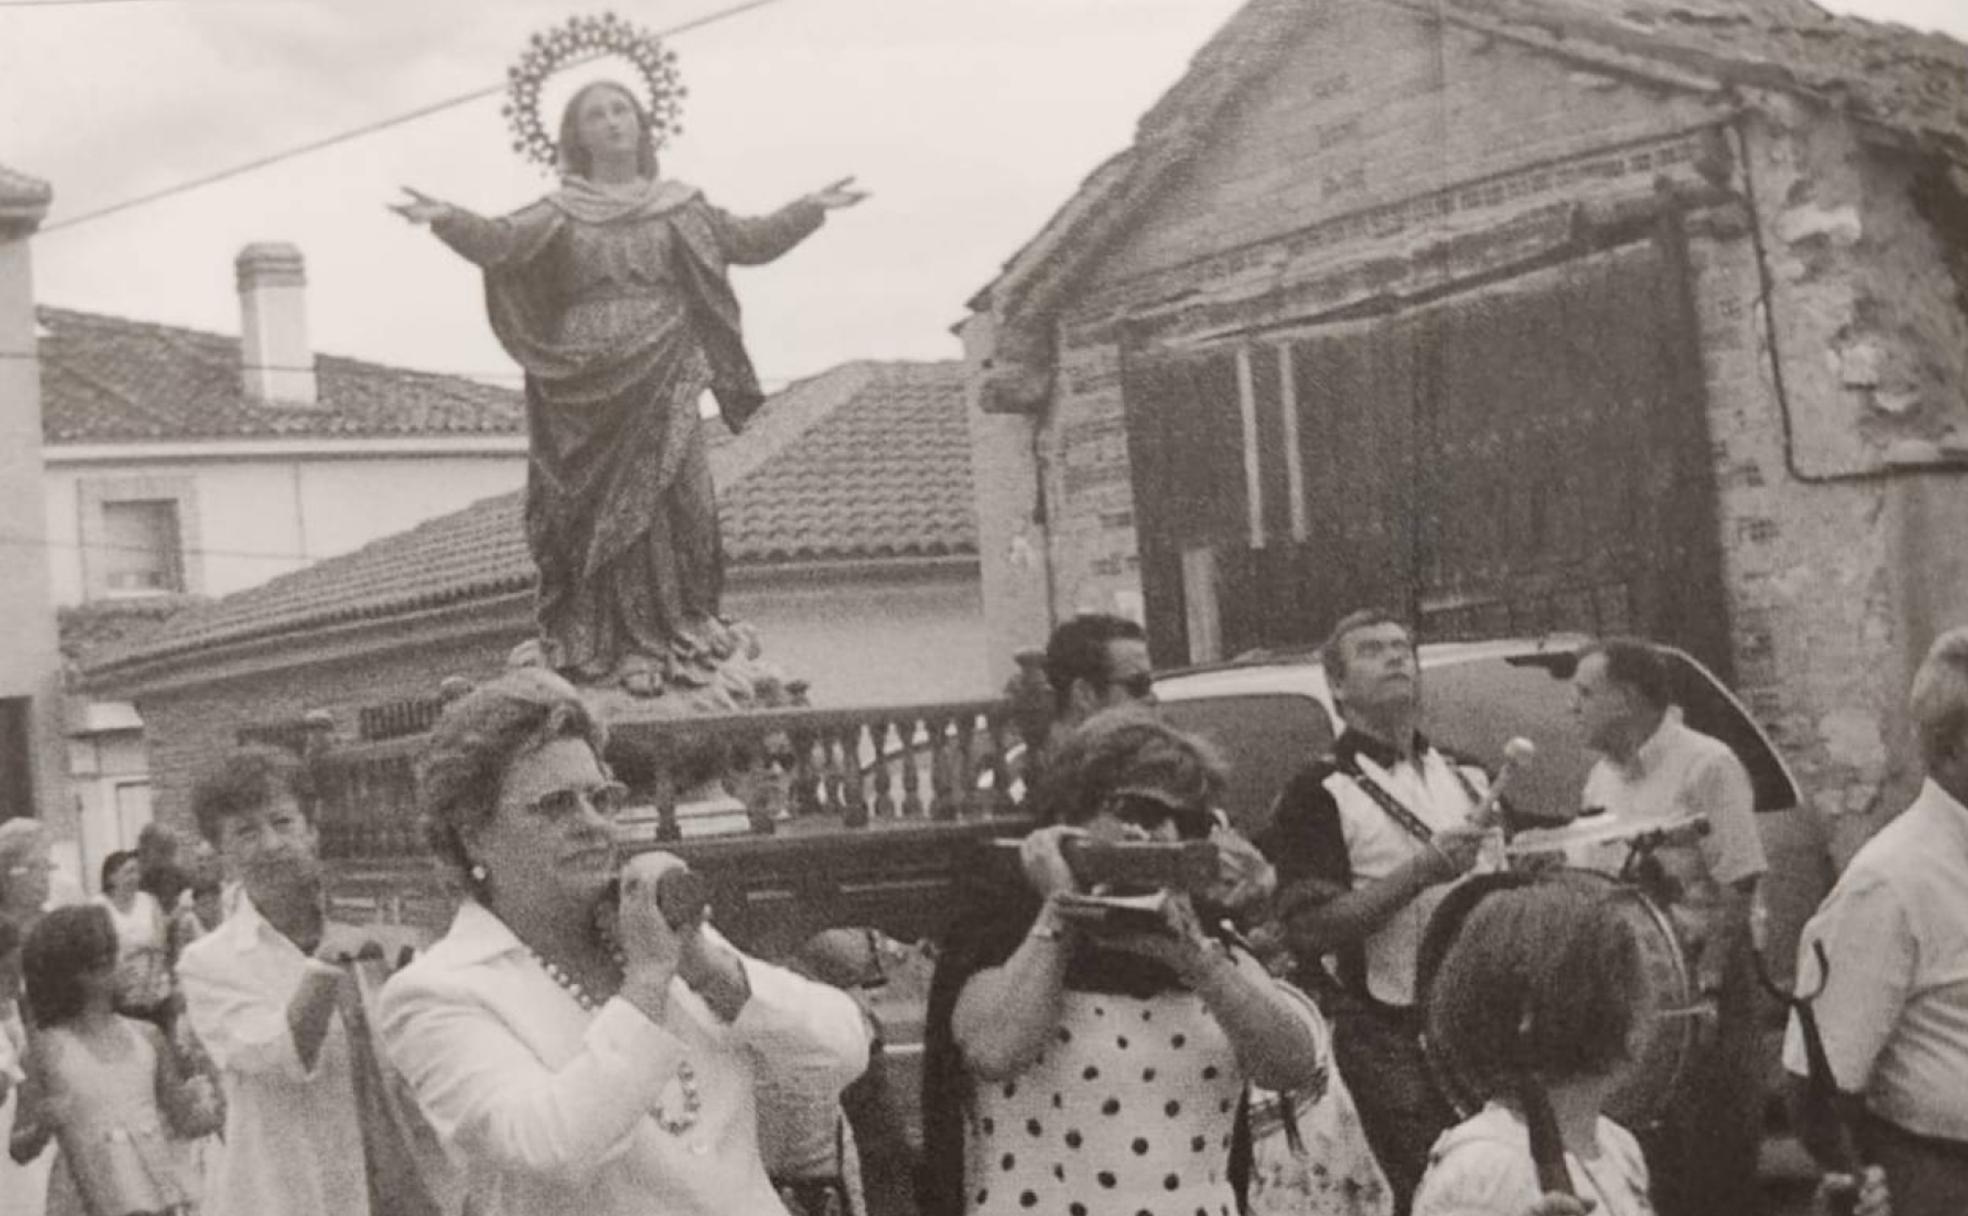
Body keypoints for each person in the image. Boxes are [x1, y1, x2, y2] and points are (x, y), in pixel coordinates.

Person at [390, 79, 866, 698]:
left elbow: (748, 240)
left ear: (643, 124)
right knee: (594, 517)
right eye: (596, 115)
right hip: (584, 382)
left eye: (622, 110)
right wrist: (448, 219)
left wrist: (810, 208)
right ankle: (608, 645)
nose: (613, 122)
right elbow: (502, 243)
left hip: (666, 368)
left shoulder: (681, 206)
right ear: (576, 135)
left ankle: (682, 631)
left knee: (683, 504)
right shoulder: (560, 211)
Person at [378, 667, 871, 1216]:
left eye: (601, 798)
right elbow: (550, 1149)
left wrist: (710, 969)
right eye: (555, 804)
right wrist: (647, 983)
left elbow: (843, 1051)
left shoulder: (655, 931)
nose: (592, 823)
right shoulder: (434, 994)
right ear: (473, 834)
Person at [921, 707, 1326, 1216]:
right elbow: (995, 1050)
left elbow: (1290, 1065)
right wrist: (1063, 909)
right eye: (1140, 810)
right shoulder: (1003, 931)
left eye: (1188, 821)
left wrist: (1196, 960)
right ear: (1074, 814)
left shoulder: (1207, 941)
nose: (1164, 833)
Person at [1255, 608, 1501, 1214]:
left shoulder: (1471, 776)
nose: (1395, 657)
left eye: (1402, 648)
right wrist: (1420, 872)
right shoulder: (1317, 792)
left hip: (1484, 1028)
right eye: (1371, 650)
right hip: (1389, 1039)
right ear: (1337, 687)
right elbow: (1309, 929)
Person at [1570, 637, 1768, 1216]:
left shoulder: (1707, 764)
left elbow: (1740, 880)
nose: (1571, 706)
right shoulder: (1600, 779)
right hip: (1638, 985)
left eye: (1585, 692)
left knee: (1716, 1153)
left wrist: (1708, 986)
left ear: (1627, 699)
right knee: (1654, 1153)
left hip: (1706, 982)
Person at [1785, 624, 1968, 1216]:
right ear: (1953, 749)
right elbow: (1815, 1084)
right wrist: (1874, 1190)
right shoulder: (1888, 884)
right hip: (1941, 1180)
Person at [175, 747, 371, 1216]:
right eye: (246, 832)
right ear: (220, 852)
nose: (270, 844)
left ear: (312, 829)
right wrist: (327, 962)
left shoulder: (375, 925)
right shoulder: (208, 964)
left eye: (283, 822)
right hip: (283, 1197)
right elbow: (281, 1056)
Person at [1038, 613, 1277, 915]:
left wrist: (1253, 884)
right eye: (1137, 685)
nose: (1152, 698)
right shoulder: (1032, 794)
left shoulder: (1166, 769)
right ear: (1084, 694)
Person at [9, 905, 217, 1216]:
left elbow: (184, 1121)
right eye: (111, 959)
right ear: (82, 974)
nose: (124, 965)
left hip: (152, 1192)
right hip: (84, 1196)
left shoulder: (148, 1037)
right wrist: (42, 1126)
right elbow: (19, 1148)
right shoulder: (46, 1050)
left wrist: (215, 1094)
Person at [95, 851, 173, 1030]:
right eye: (128, 872)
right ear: (111, 877)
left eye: (137, 871)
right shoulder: (98, 906)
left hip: (153, 989)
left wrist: (151, 988)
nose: (135, 877)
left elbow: (160, 947)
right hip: (118, 995)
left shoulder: (149, 901)